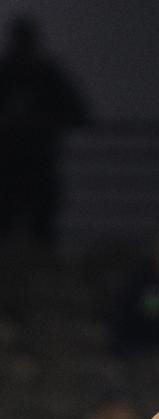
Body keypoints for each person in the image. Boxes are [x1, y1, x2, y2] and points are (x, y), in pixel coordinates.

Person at [0, 15, 89, 246]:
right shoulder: (36, 75)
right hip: (15, 166)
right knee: (23, 226)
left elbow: (80, 114)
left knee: (40, 229)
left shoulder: (45, 76)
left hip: (34, 165)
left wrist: (40, 122)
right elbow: (79, 114)